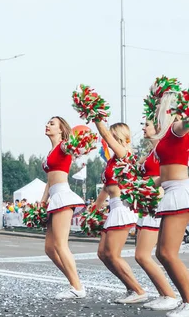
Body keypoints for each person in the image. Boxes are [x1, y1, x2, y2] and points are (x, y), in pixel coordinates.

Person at [92, 120, 145, 304]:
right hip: (113, 207)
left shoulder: (125, 155)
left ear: (120, 137)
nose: (109, 141)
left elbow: (104, 135)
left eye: (113, 137)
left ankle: (138, 290)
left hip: (122, 207)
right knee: (103, 253)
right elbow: (106, 188)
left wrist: (95, 116)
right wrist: (94, 211)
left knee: (113, 254)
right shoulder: (113, 160)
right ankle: (131, 288)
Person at [151, 88, 189, 317]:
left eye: (159, 104)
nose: (155, 108)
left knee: (167, 252)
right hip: (170, 190)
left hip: (180, 193)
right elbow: (164, 174)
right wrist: (145, 187)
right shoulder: (166, 134)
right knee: (161, 253)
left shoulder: (177, 129)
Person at [41, 116, 86, 299]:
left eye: (52, 123)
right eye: (47, 123)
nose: (47, 125)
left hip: (63, 197)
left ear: (61, 130)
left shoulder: (63, 146)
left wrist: (81, 141)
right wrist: (43, 201)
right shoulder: (51, 150)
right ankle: (74, 283)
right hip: (54, 197)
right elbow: (49, 179)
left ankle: (77, 287)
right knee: (50, 248)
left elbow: (76, 147)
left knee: (60, 244)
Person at [135, 119, 178, 310]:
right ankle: (164, 293)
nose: (144, 127)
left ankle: (170, 295)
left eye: (148, 124)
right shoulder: (151, 152)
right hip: (148, 203)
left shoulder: (163, 149)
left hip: (158, 203)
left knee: (145, 255)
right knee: (152, 254)